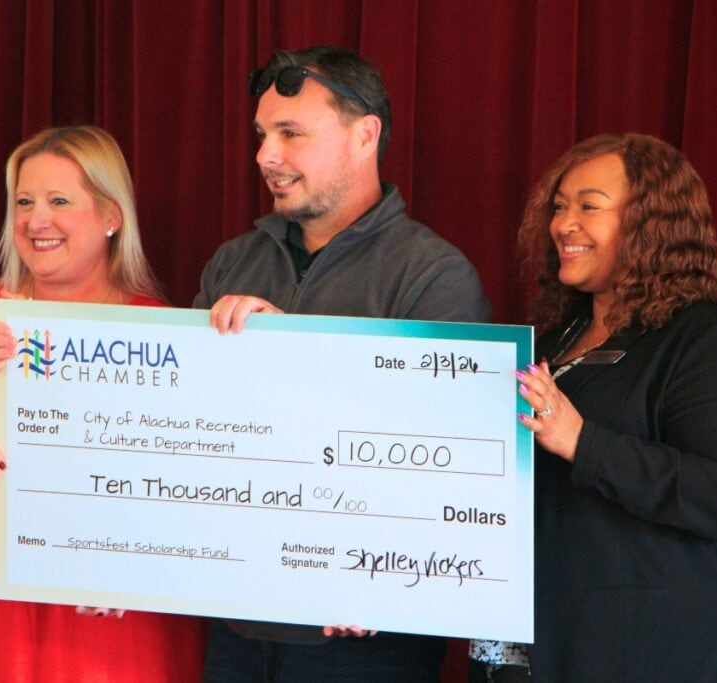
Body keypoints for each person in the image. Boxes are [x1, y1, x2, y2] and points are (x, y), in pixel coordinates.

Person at [194, 45, 491, 682]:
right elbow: (186, 430)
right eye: (262, 134)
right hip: (235, 625)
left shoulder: (433, 276)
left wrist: (380, 579)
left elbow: (457, 465)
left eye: (291, 133)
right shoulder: (230, 265)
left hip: (363, 640)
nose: (265, 156)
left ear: (365, 135)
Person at [0, 125, 206, 682]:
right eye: (24, 202)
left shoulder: (156, 328)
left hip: (113, 610)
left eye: (59, 201)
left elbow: (192, 479)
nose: (37, 221)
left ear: (111, 216)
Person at [492, 132, 717, 681]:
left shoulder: (708, 343)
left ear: (652, 223)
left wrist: (582, 442)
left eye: (590, 206)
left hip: (675, 650)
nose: (563, 224)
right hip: (560, 643)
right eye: (559, 207)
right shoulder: (553, 341)